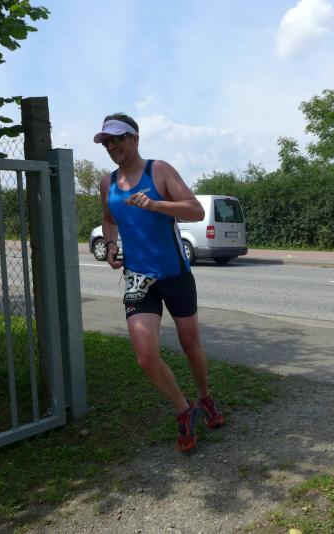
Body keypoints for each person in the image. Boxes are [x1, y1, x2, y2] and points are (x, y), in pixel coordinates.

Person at [95, 113, 224, 452]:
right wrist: (110, 245)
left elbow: (195, 211)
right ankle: (185, 409)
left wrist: (155, 204)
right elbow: (109, 220)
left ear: (135, 139)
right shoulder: (107, 184)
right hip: (138, 279)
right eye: (107, 142)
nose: (112, 146)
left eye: (117, 139)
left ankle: (205, 397)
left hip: (174, 273)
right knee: (145, 356)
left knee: (190, 345)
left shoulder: (159, 171)